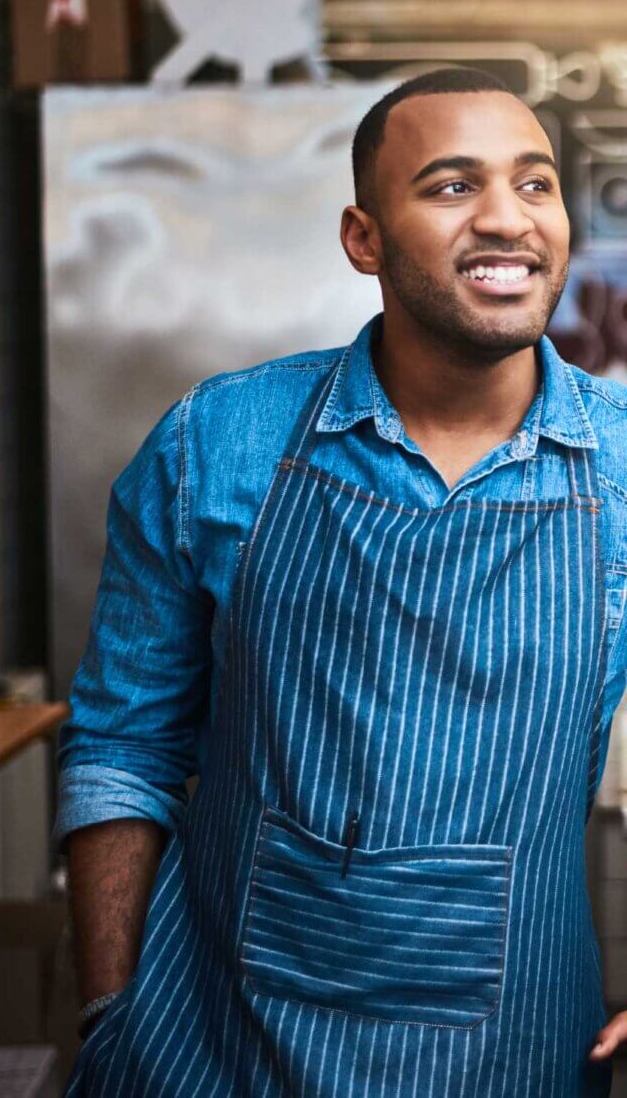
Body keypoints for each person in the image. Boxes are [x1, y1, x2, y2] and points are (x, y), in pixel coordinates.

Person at [55, 66, 627, 1095]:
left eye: (535, 185)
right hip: (211, 1055)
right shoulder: (218, 442)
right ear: (362, 237)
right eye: (453, 187)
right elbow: (122, 747)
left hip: (517, 1056)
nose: (507, 218)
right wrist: (110, 1014)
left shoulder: (621, 469)